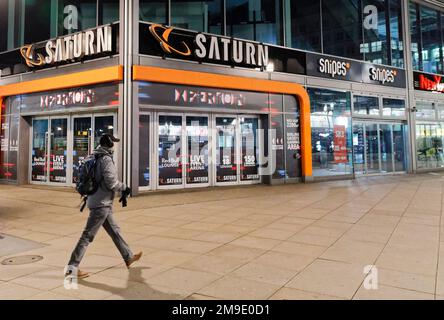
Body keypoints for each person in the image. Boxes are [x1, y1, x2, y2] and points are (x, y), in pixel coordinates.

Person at [65, 133, 142, 279]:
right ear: (109, 144)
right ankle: (71, 268)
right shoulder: (105, 159)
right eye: (114, 142)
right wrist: (125, 187)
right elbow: (111, 182)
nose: (116, 145)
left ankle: (128, 257)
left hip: (98, 201)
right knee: (87, 236)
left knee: (115, 231)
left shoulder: (93, 156)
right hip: (101, 204)